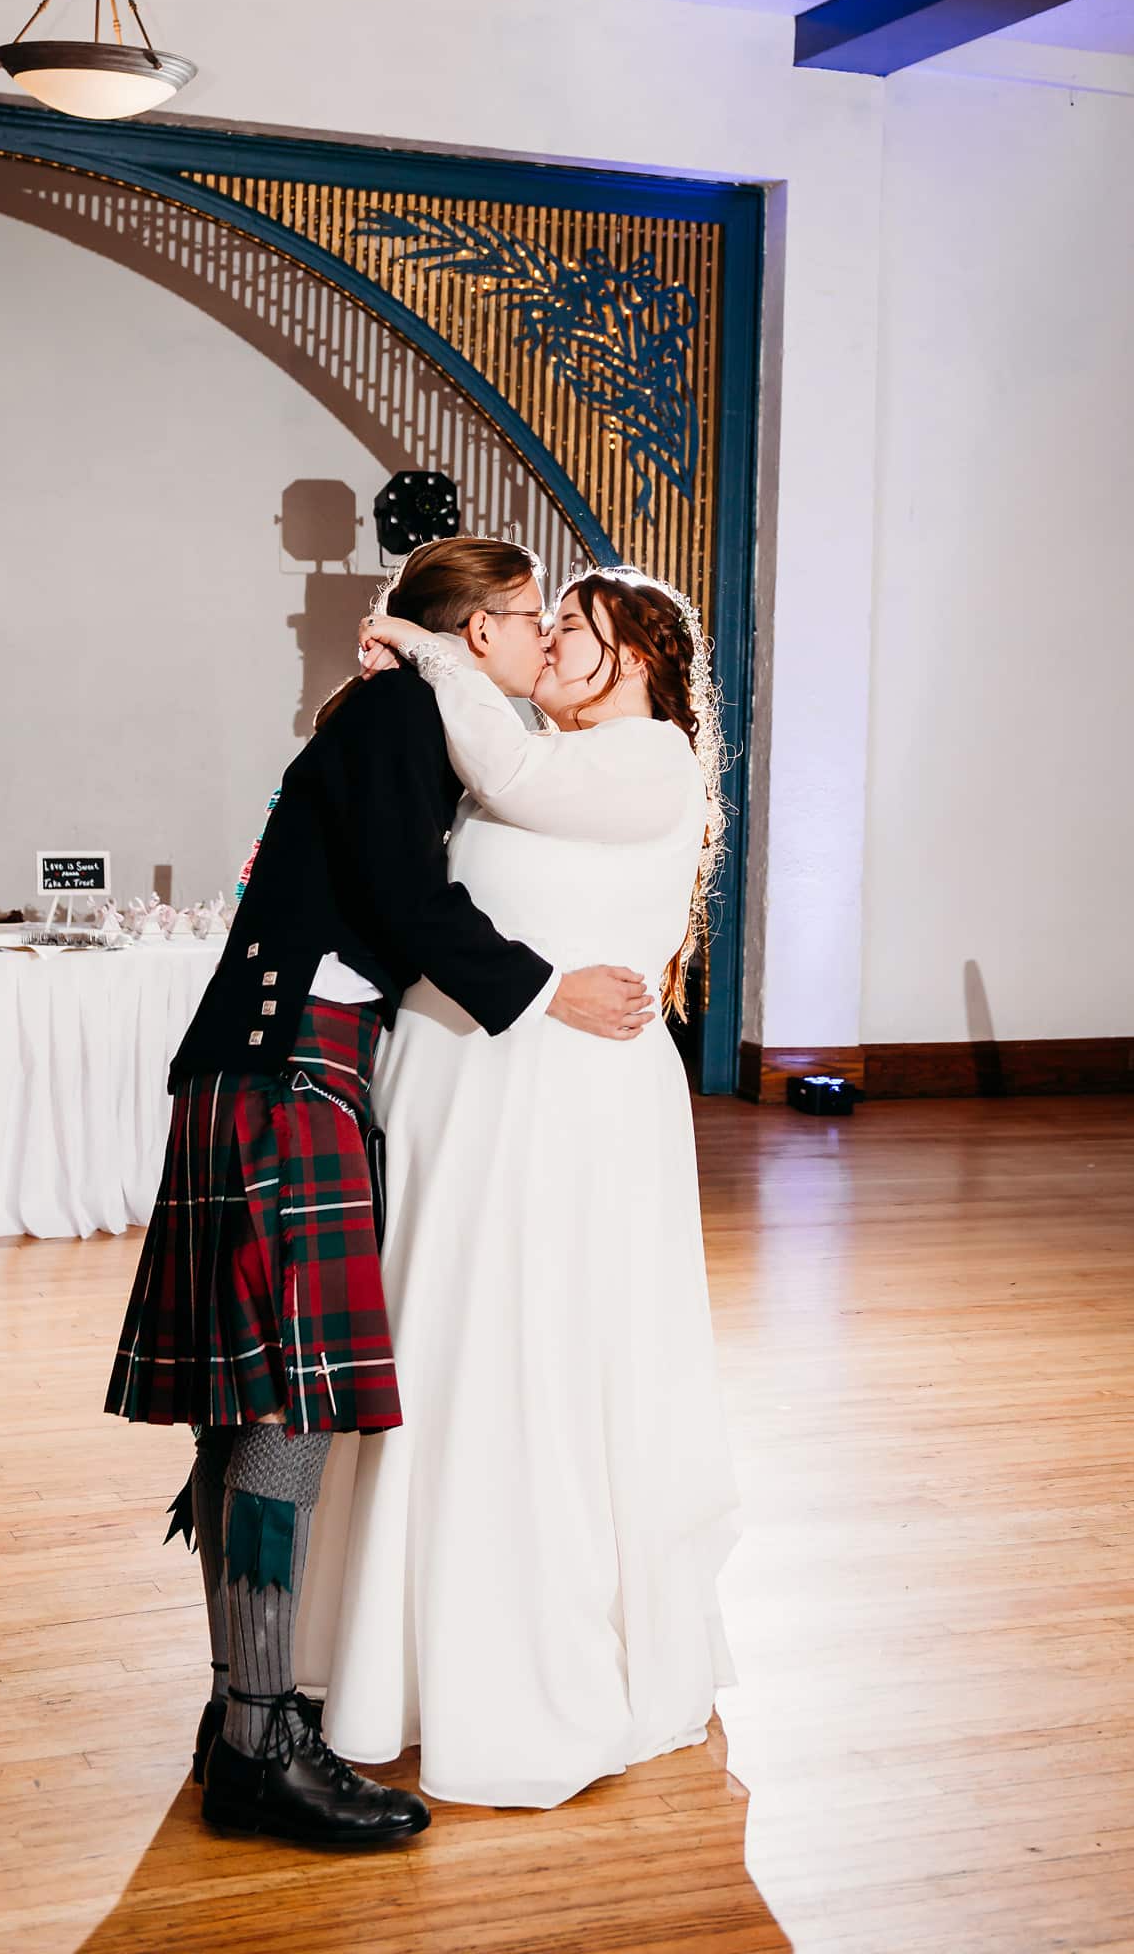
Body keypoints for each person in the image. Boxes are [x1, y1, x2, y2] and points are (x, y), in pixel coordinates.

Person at [103, 538, 654, 1846]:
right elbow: (411, 904)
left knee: (255, 1419)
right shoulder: (406, 714)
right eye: (526, 621)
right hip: (287, 1071)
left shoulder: (398, 709)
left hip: (281, 1068)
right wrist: (547, 991)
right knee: (283, 1415)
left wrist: (403, 643)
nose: (535, 645)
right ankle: (259, 1747)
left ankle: (247, 1717)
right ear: (478, 632)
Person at [298, 565, 741, 1809]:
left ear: (636, 657)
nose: (546, 648)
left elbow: (516, 779)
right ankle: (396, 1658)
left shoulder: (645, 756)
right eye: (544, 629)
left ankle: (517, 1670)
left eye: (571, 632)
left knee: (524, 1354)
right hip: (465, 1090)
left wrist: (431, 650)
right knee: (437, 1352)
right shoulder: (541, 745)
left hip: (560, 1108)